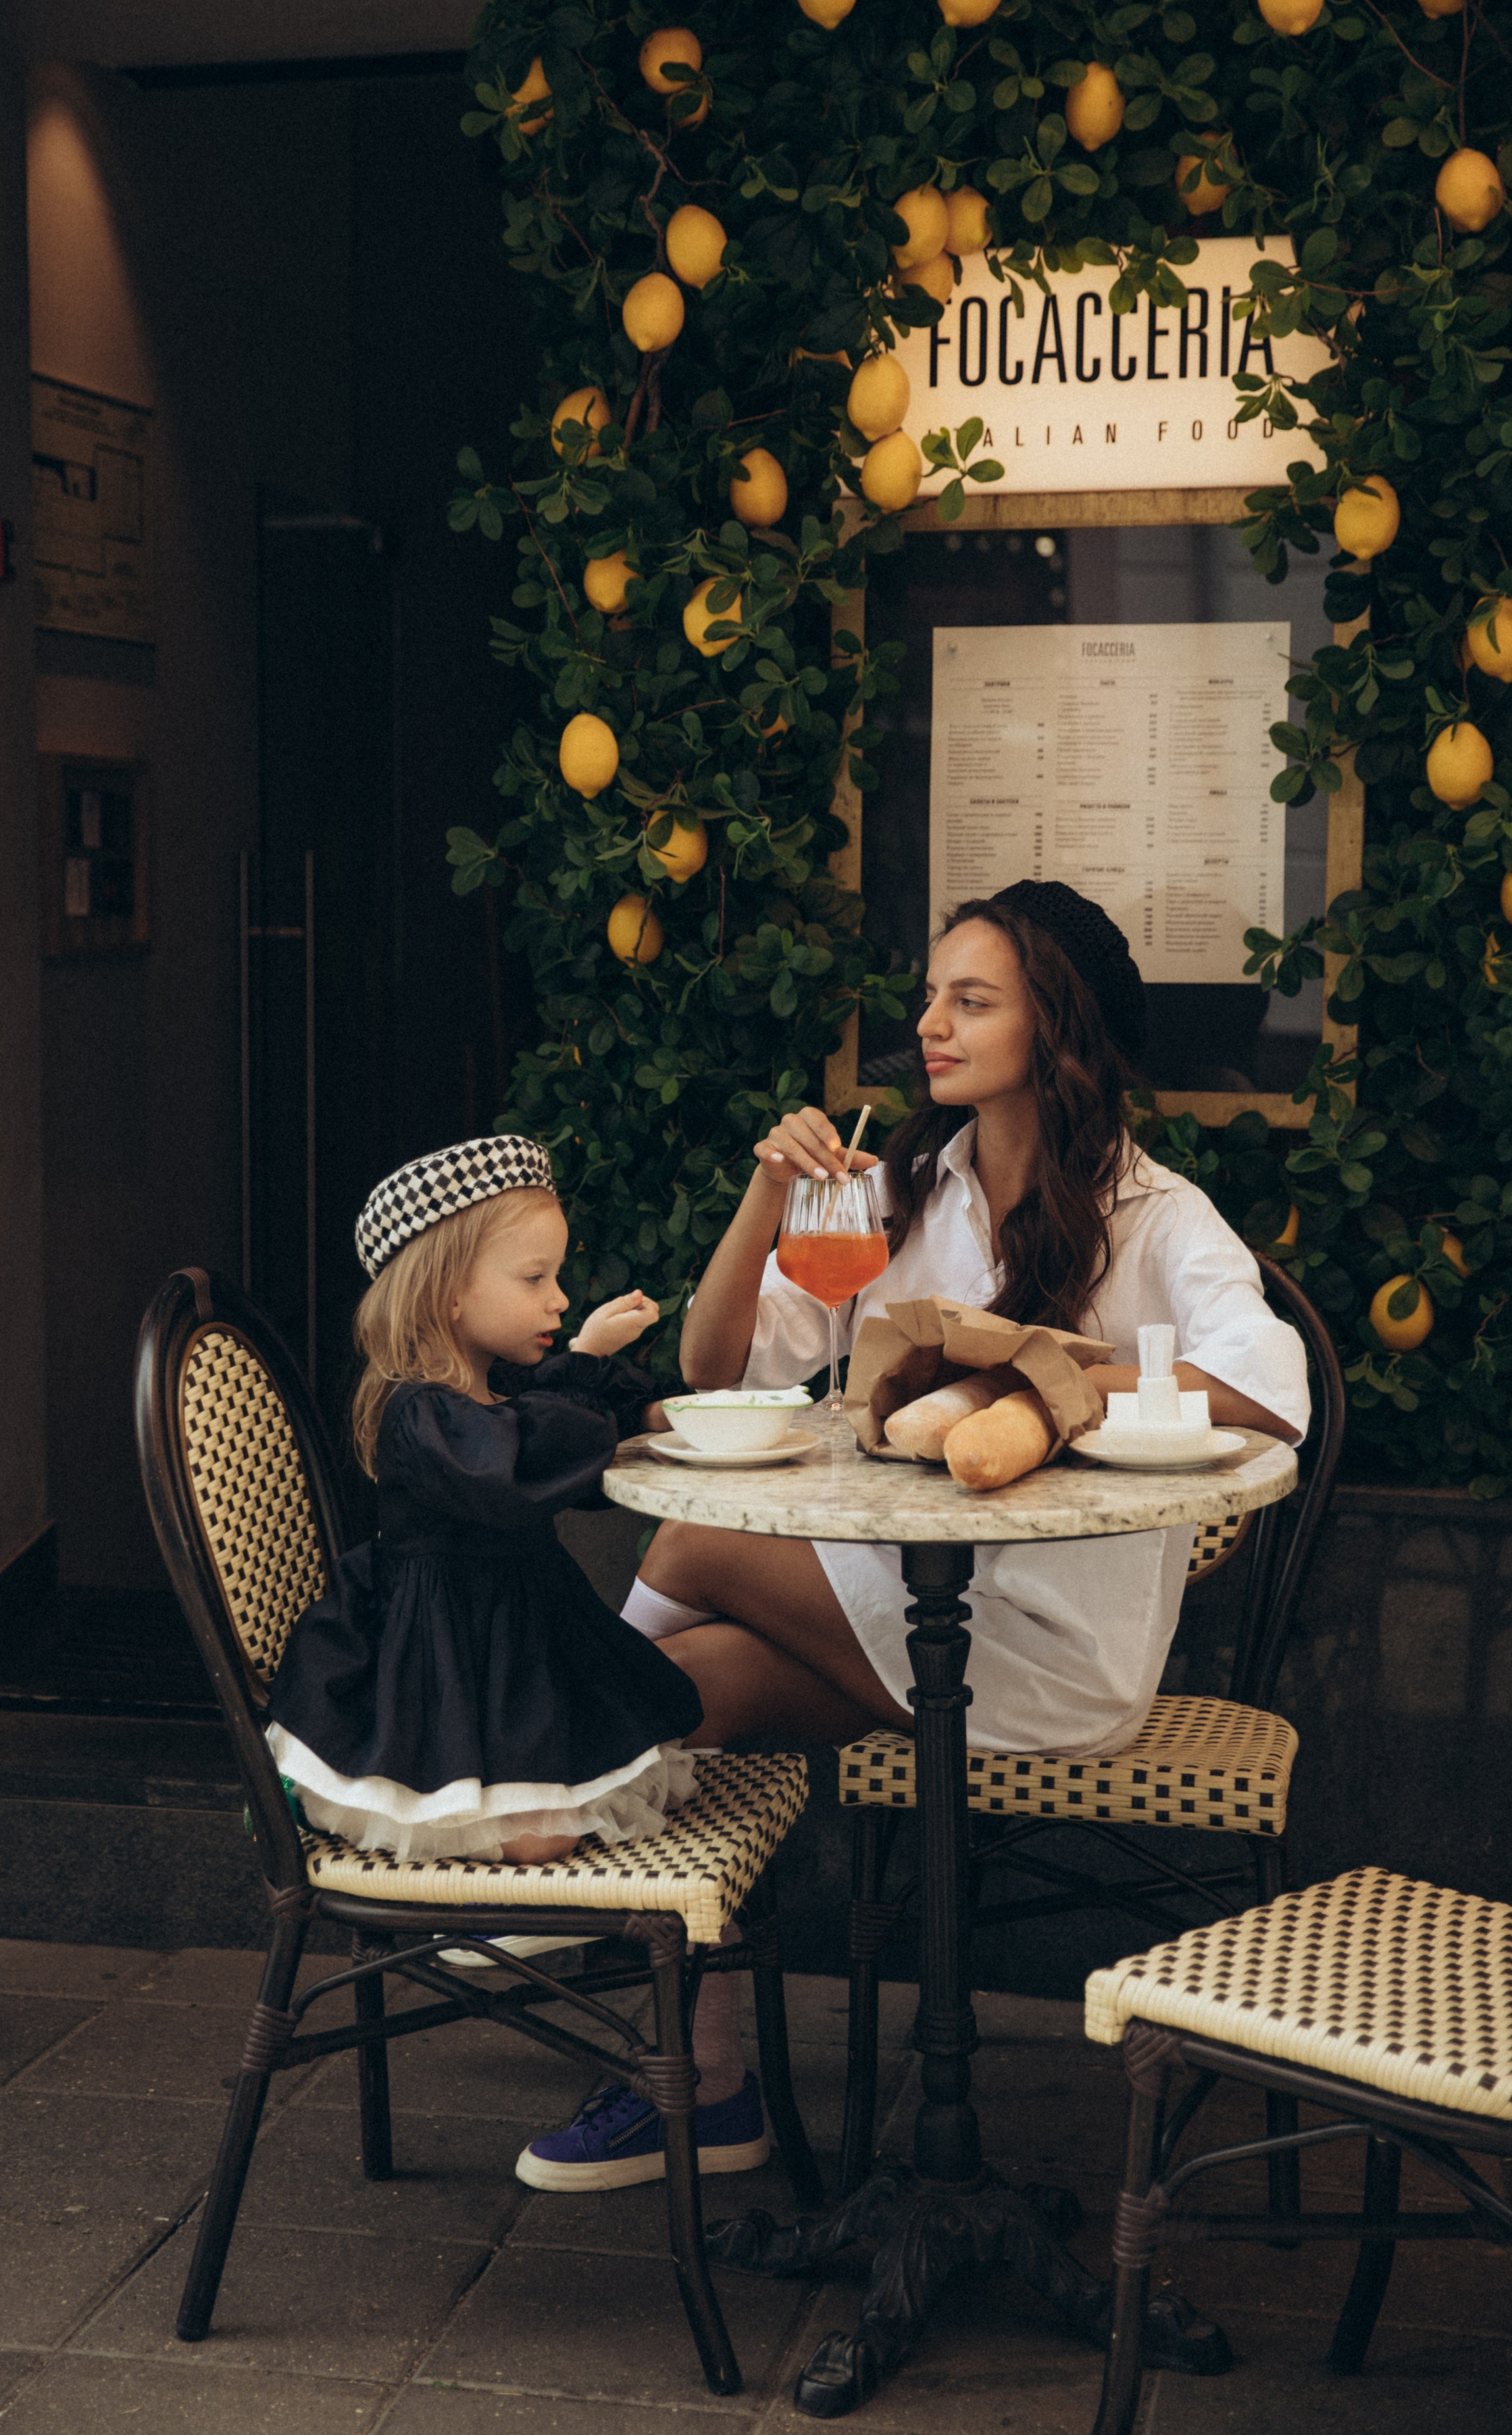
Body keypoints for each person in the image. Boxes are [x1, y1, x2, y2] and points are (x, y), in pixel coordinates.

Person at [516, 881, 1310, 2188]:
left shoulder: (1153, 1214)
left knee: (690, 1553)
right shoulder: (895, 1191)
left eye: (971, 1000)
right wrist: (767, 1200)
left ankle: (531, 1799)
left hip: (1060, 1650)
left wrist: (1044, 1375)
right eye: (931, 995)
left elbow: (1272, 1397)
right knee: (678, 1692)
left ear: (1055, 1033)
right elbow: (722, 1363)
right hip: (900, 1611)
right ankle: (707, 2084)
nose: (930, 1024)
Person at [263, 1133, 771, 2190]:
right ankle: (511, 1899)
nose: (555, 1295)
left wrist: (629, 1394)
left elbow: (568, 1446)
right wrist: (582, 1371)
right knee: (540, 1809)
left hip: (518, 1640)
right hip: (443, 1658)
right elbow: (525, 1467)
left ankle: (534, 1900)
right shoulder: (416, 1411)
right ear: (448, 1293)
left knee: (609, 1754)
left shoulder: (488, 1390)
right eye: (532, 1278)